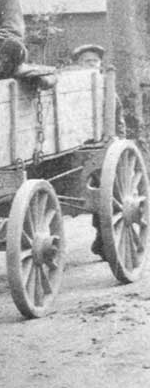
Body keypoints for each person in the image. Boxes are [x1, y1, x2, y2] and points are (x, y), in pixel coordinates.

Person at [71, 43, 126, 260]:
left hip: (102, 147)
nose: (91, 65)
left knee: (106, 189)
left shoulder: (106, 89)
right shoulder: (71, 89)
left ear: (100, 64)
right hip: (76, 146)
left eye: (94, 61)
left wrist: (115, 142)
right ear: (77, 65)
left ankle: (104, 239)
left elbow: (118, 119)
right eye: (86, 62)